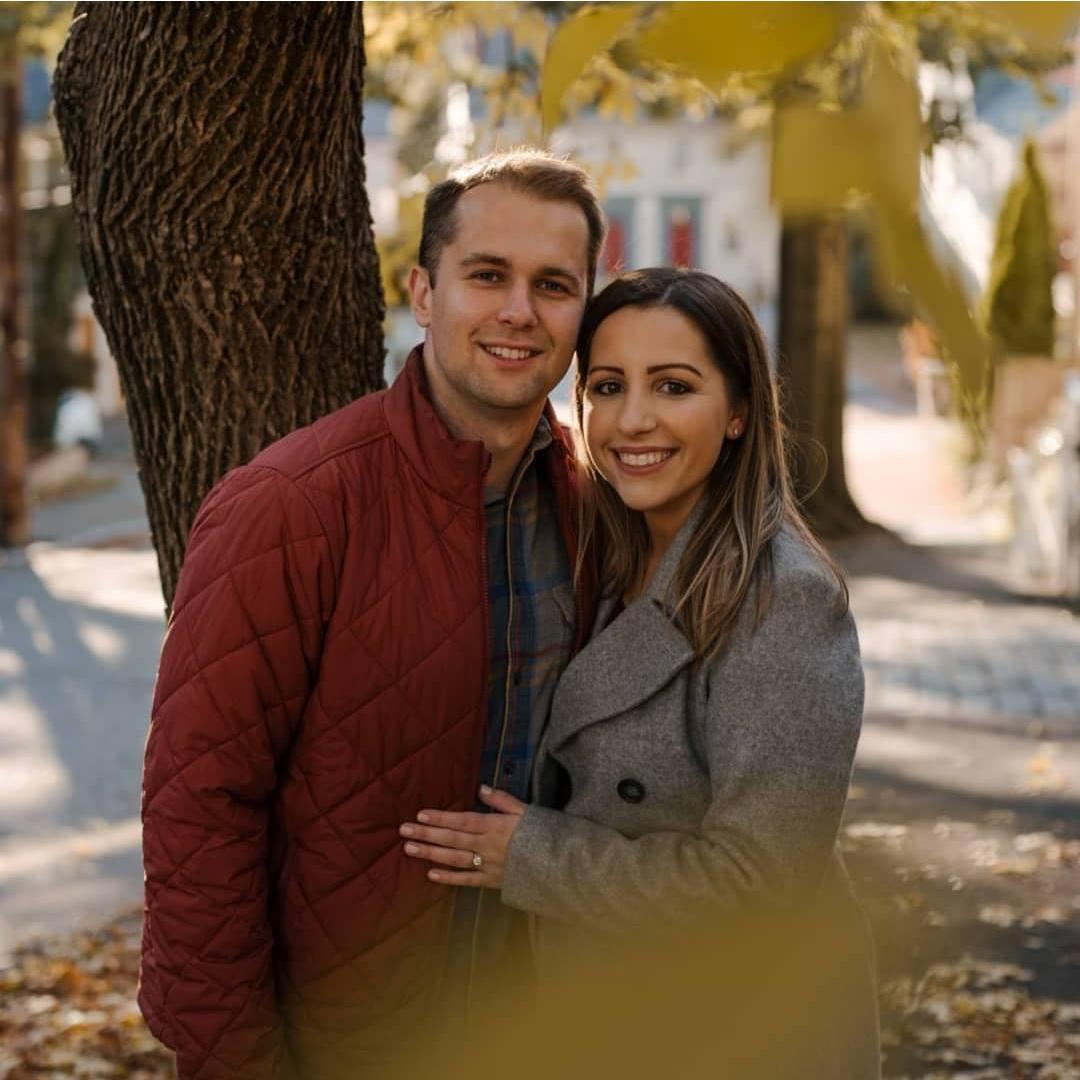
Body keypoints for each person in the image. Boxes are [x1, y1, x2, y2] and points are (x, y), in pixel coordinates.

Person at [138, 150, 604, 1079]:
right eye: (487, 276)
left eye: (554, 284)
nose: (520, 311)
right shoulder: (290, 505)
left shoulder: (596, 511)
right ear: (423, 293)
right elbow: (198, 812)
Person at [400, 268, 881, 1078]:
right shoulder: (605, 549)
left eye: (674, 386)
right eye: (608, 386)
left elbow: (758, 884)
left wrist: (530, 859)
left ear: (736, 413)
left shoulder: (784, 601)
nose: (632, 419)